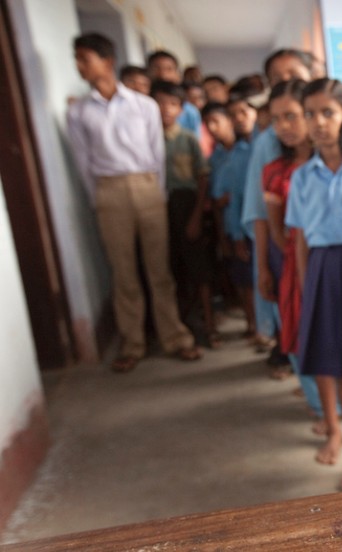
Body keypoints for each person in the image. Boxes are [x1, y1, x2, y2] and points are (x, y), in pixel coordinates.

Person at [67, 33, 199, 373]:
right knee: (123, 272)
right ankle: (133, 343)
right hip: (109, 191)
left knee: (160, 269)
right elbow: (82, 162)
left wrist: (157, 192)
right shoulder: (79, 112)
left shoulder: (144, 105)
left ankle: (175, 337)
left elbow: (157, 154)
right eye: (77, 59)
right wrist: (98, 197)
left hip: (146, 186)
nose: (80, 65)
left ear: (107, 61)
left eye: (85, 58)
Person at [287, 78, 342, 491]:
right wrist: (308, 288)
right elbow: (302, 238)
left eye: (328, 113)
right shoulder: (303, 177)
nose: (319, 123)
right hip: (324, 269)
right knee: (340, 369)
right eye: (310, 114)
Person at [239, 49, 317, 384]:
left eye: (294, 75)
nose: (286, 83)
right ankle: (321, 402)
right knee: (298, 324)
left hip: (330, 253)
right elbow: (260, 211)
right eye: (277, 78)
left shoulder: (337, 134)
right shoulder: (268, 146)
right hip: (284, 249)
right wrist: (261, 269)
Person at [150, 80, 217, 348]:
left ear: (181, 109)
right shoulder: (147, 138)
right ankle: (180, 325)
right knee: (170, 269)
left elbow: (202, 179)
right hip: (157, 205)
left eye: (173, 104)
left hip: (186, 205)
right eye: (160, 102)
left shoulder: (188, 139)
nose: (166, 109)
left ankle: (209, 326)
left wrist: (196, 215)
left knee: (199, 267)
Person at [204, 98, 262, 345]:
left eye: (217, 121)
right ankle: (253, 324)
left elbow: (240, 196)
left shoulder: (246, 153)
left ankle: (258, 327)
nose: (213, 128)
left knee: (252, 280)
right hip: (229, 225)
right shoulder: (216, 157)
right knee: (241, 279)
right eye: (208, 124)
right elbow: (218, 198)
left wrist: (239, 235)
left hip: (245, 226)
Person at [147, 50, 202, 138]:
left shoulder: (190, 112)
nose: (163, 75)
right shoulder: (139, 106)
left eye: (169, 69)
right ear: (147, 72)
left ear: (177, 75)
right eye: (156, 68)